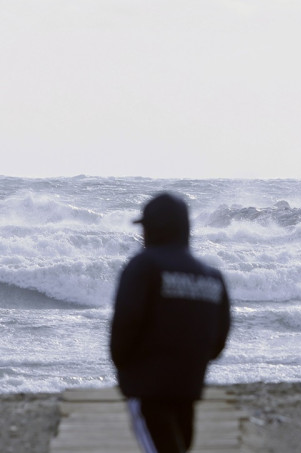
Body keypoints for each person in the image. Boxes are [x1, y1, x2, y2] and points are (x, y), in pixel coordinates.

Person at [110, 192, 232, 453]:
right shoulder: (211, 276)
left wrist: (124, 367)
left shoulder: (144, 266)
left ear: (154, 228)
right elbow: (219, 338)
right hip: (189, 384)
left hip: (147, 386)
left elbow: (126, 321)